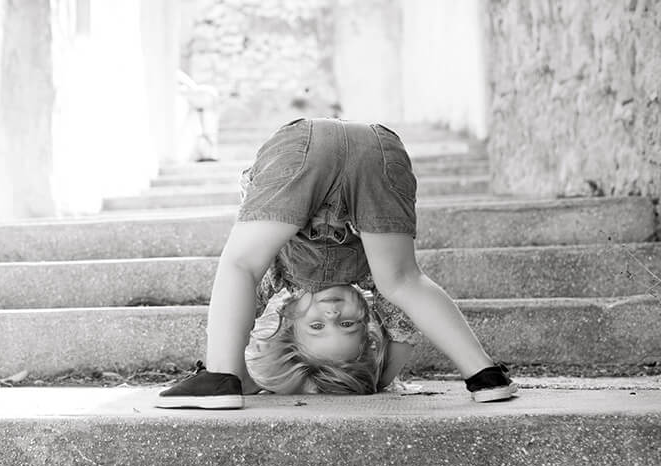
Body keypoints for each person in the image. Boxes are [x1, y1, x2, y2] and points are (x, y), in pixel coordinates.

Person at [154, 117, 518, 409]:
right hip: (376, 151)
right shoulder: (376, 281)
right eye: (347, 324)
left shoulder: (276, 277)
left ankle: (220, 376)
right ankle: (484, 375)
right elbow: (402, 332)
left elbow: (241, 299)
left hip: (308, 150)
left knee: (242, 265)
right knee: (403, 279)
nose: (330, 314)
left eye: (316, 327)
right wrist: (379, 377)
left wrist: (239, 373)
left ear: (289, 319)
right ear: (369, 320)